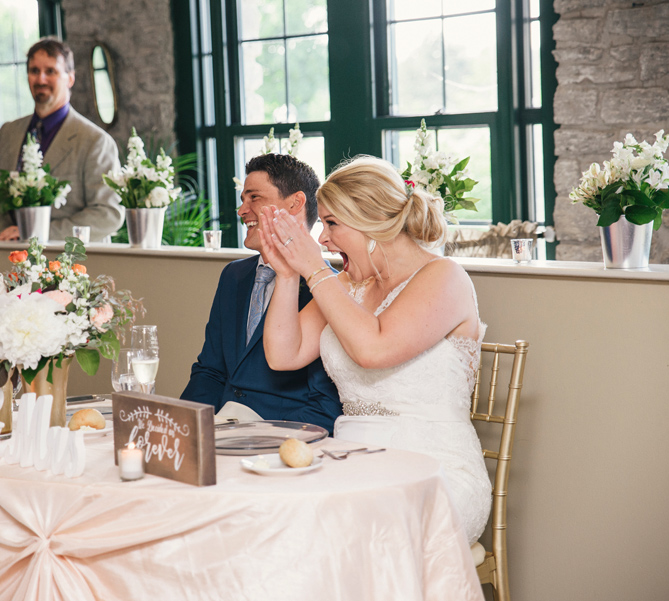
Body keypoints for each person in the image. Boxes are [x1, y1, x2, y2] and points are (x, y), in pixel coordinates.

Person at [259, 155, 491, 544]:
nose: (322, 239)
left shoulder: (445, 277)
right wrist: (287, 273)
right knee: (276, 519)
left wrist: (316, 269)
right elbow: (284, 354)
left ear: (371, 224)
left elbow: (374, 349)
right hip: (355, 462)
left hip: (436, 473)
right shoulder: (347, 284)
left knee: (341, 534)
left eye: (332, 223)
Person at [180, 153, 341, 433]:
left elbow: (324, 404)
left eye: (254, 198)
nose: (242, 211)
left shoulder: (330, 289)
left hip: (281, 439)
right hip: (219, 432)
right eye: (243, 199)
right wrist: (182, 426)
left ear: (295, 203)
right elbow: (210, 370)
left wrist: (260, 440)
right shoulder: (233, 275)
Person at [0, 37, 124, 242]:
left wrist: (36, 235)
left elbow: (108, 214)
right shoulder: (8, 133)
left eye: (51, 71)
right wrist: (7, 235)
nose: (41, 80)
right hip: (11, 258)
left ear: (70, 78)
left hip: (74, 265)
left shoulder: (95, 141)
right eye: (34, 71)